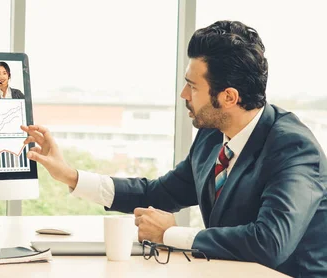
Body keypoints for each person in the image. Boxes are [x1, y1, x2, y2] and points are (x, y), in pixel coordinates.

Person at [21, 20, 327, 277]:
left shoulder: (294, 149)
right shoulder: (211, 135)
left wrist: (170, 234)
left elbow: (270, 243)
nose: (184, 94)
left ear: (229, 97)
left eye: (193, 87)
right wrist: (71, 176)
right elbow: (158, 194)